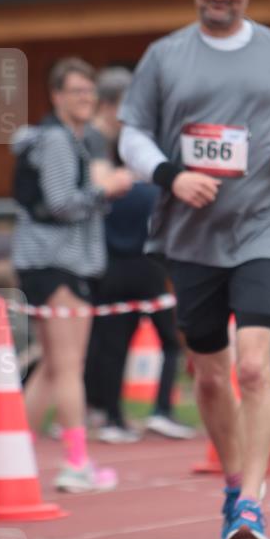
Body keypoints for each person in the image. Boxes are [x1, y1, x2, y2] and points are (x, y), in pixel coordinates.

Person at [118, 0, 270, 539]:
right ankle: (233, 483)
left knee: (254, 366)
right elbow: (131, 134)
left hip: (263, 226)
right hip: (190, 236)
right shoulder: (164, 57)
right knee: (210, 379)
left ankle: (252, 504)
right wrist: (171, 177)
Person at [11, 57, 131, 492]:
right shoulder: (59, 142)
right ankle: (76, 461)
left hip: (50, 261)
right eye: (76, 91)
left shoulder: (71, 139)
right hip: (58, 262)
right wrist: (107, 189)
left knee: (49, 367)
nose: (84, 99)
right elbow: (61, 202)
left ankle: (10, 454)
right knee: (68, 367)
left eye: (89, 92)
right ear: (56, 95)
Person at [84, 67, 194, 443]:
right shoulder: (144, 189)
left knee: (113, 345)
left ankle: (111, 415)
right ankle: (160, 409)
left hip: (112, 269)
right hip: (146, 270)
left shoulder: (117, 185)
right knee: (166, 340)